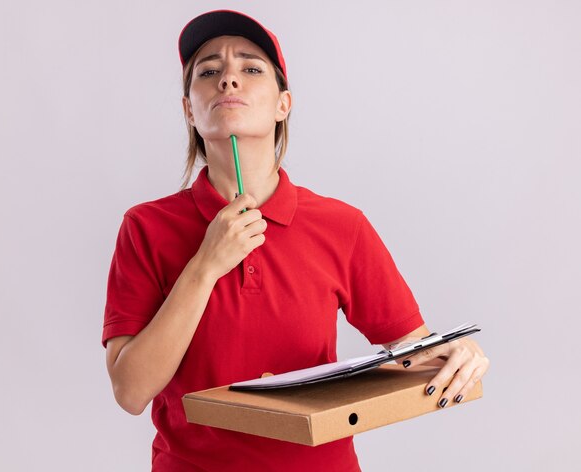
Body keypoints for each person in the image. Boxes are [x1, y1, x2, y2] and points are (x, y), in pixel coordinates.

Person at [102, 9, 489, 472]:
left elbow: (416, 355)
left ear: (283, 104)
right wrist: (206, 265)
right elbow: (130, 391)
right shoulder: (146, 226)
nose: (228, 80)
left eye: (250, 68)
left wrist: (457, 356)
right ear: (189, 109)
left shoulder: (342, 226)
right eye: (208, 71)